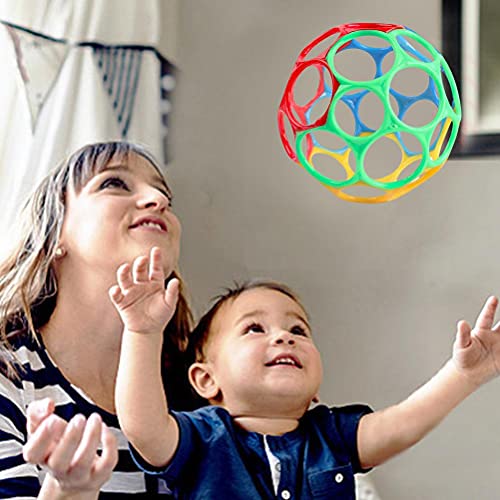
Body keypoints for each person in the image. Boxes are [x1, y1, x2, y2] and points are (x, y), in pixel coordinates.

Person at [111, 251, 500, 499]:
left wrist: (463, 375)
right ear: (206, 380)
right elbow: (142, 427)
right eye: (254, 329)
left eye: (298, 330)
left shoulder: (333, 436)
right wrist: (142, 332)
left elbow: (401, 425)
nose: (284, 336)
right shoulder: (201, 438)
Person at [0, 141, 200, 499]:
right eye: (115, 183)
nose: (158, 199)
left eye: (164, 193)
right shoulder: (8, 374)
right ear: (54, 233)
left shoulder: (197, 389)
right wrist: (68, 491)